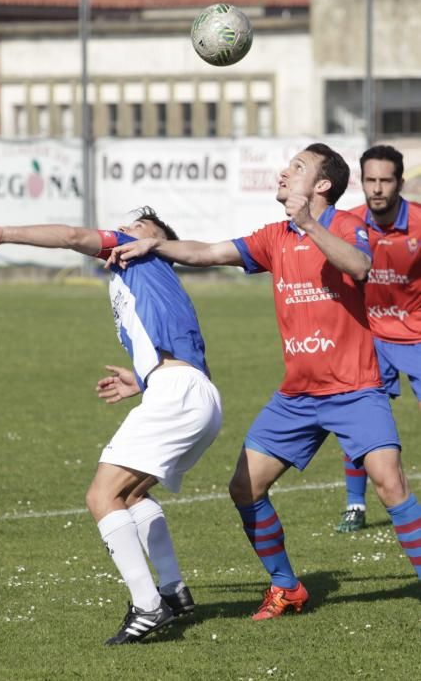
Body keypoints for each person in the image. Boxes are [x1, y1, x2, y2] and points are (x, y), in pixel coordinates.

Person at [108, 143, 421, 619]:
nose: (283, 172)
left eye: (296, 167)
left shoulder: (344, 225)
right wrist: (158, 245)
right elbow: (210, 252)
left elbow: (359, 267)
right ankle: (286, 587)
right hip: (297, 395)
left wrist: (311, 226)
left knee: (390, 485)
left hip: (355, 388)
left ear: (321, 185)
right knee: (243, 488)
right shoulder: (275, 236)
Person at [0, 206, 222, 645]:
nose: (126, 231)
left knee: (102, 495)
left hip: (178, 392)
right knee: (132, 494)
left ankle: (147, 606)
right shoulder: (143, 276)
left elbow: (69, 236)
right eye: (126, 227)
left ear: (155, 242)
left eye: (140, 227)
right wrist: (142, 379)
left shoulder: (141, 256)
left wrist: (5, 232)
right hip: (188, 392)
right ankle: (174, 591)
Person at [335, 145, 421, 533]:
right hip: (368, 337)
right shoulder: (347, 222)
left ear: (400, 182)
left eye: (386, 180)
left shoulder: (419, 223)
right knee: (360, 422)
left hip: (417, 337)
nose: (377, 188)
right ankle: (355, 503)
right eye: (370, 180)